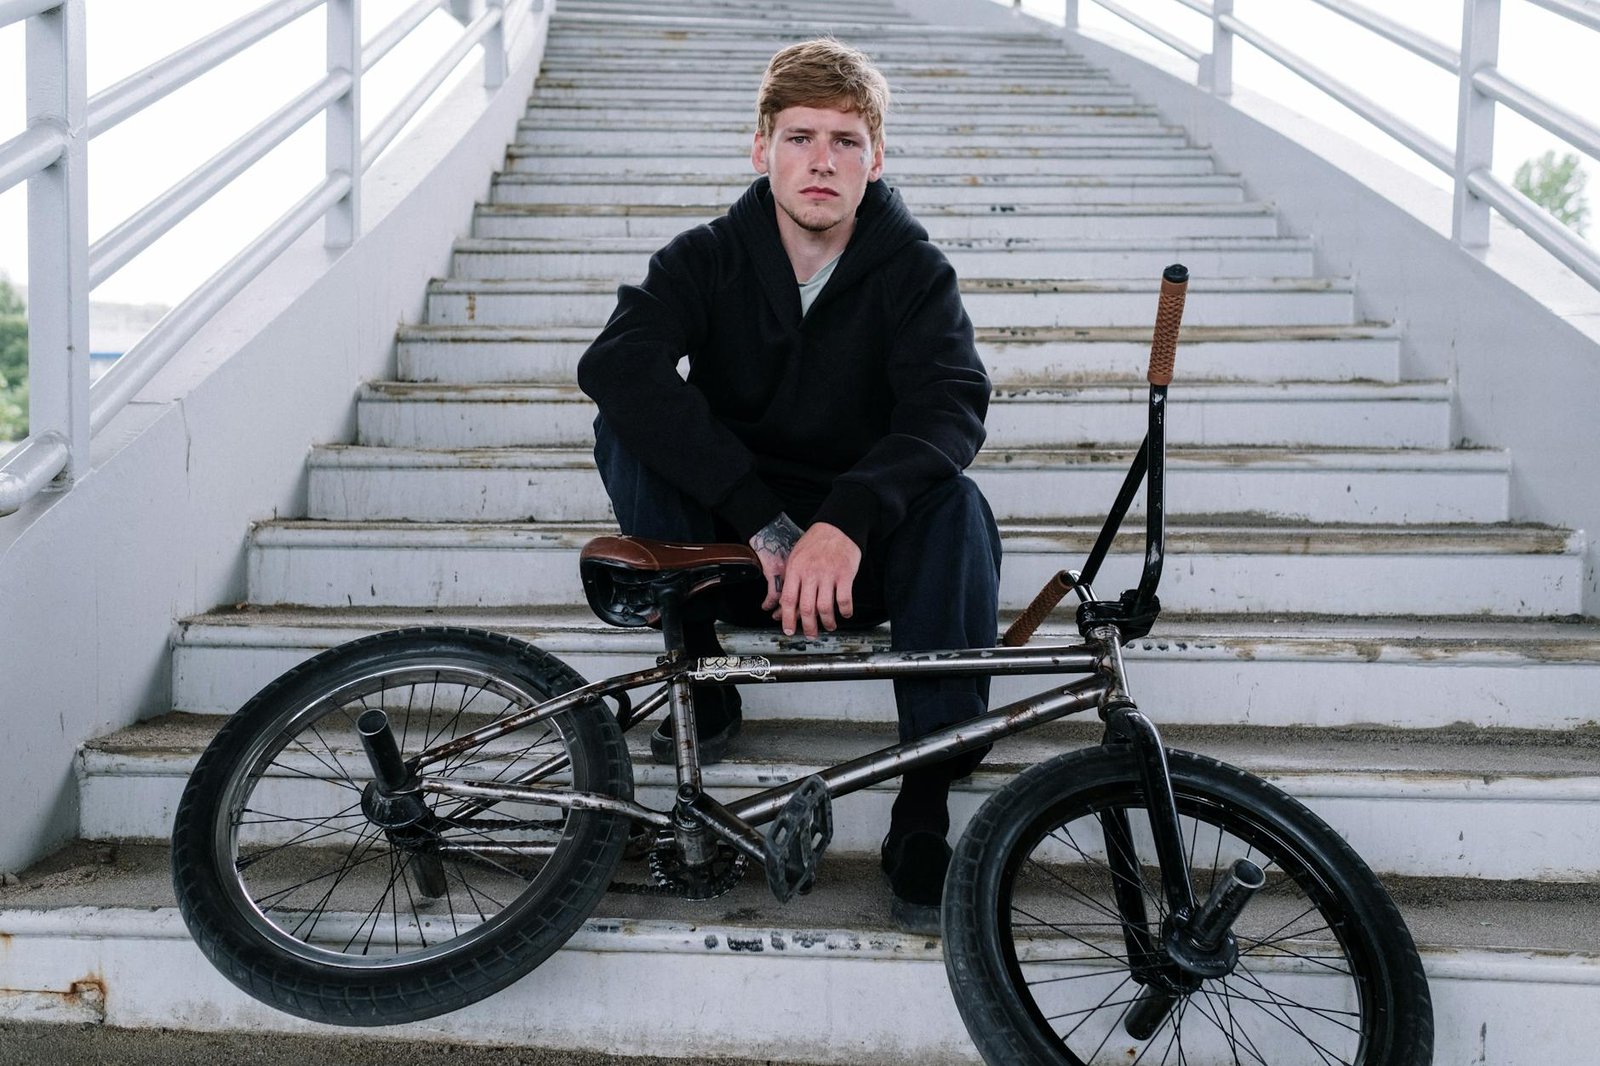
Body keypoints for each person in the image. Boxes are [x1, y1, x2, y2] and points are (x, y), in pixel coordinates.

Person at [576, 38, 1002, 931]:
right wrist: (759, 518)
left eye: (845, 141)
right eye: (800, 136)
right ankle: (700, 672)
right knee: (626, 423)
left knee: (957, 504)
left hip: (858, 558)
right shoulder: (705, 257)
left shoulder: (915, 273)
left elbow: (951, 405)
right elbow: (618, 364)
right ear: (760, 147)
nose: (821, 160)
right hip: (735, 552)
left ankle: (922, 807)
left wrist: (844, 519)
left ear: (875, 159)